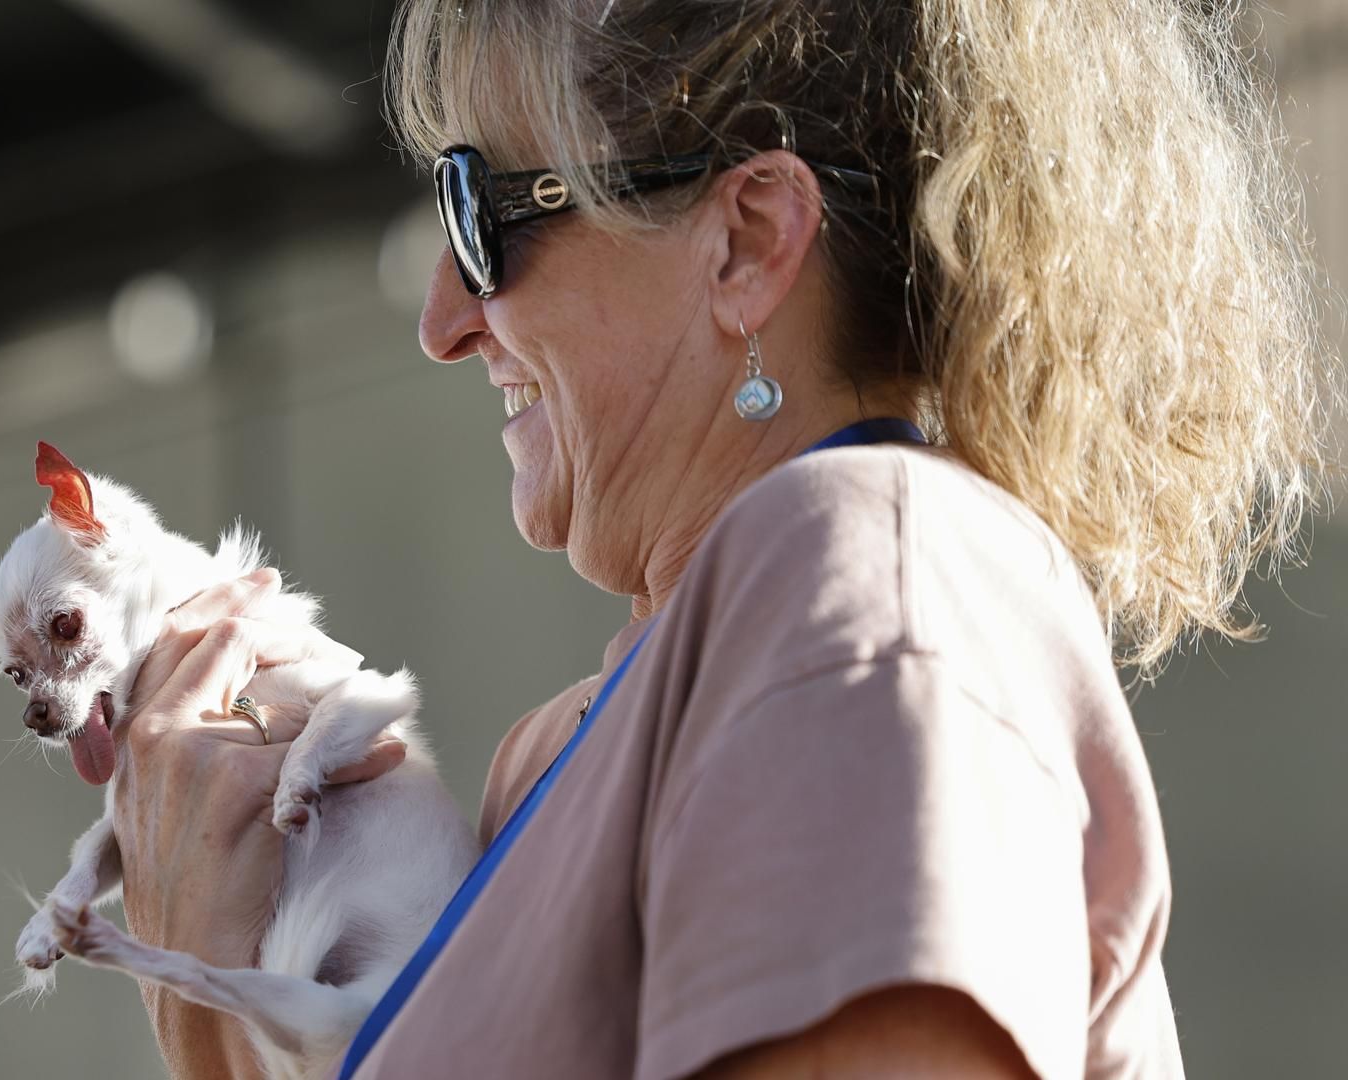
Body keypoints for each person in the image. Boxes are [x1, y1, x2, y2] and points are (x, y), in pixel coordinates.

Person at [104, 0, 1334, 1076]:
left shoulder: (857, 571)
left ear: (748, 241)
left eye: (480, 208)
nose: (442, 319)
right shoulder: (572, 749)